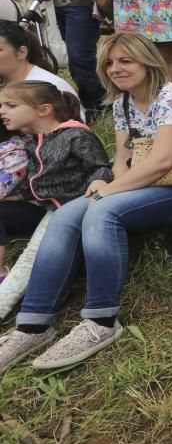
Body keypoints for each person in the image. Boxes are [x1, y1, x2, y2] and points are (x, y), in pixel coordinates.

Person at [0, 32, 172, 373]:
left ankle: (101, 320)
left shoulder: (171, 97)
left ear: (147, 60)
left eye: (125, 60)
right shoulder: (122, 103)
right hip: (144, 181)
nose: (116, 68)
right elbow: (122, 157)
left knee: (102, 211)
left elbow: (164, 160)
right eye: (109, 62)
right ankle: (32, 325)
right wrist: (109, 182)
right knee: (66, 215)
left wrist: (110, 193)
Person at [0, 81, 111, 289]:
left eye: (10, 105)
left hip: (72, 210)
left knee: (31, 259)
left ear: (44, 110)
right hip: (49, 208)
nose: (2, 111)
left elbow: (100, 166)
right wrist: (18, 196)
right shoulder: (34, 141)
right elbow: (39, 183)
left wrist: (99, 180)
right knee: (32, 257)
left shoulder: (75, 135)